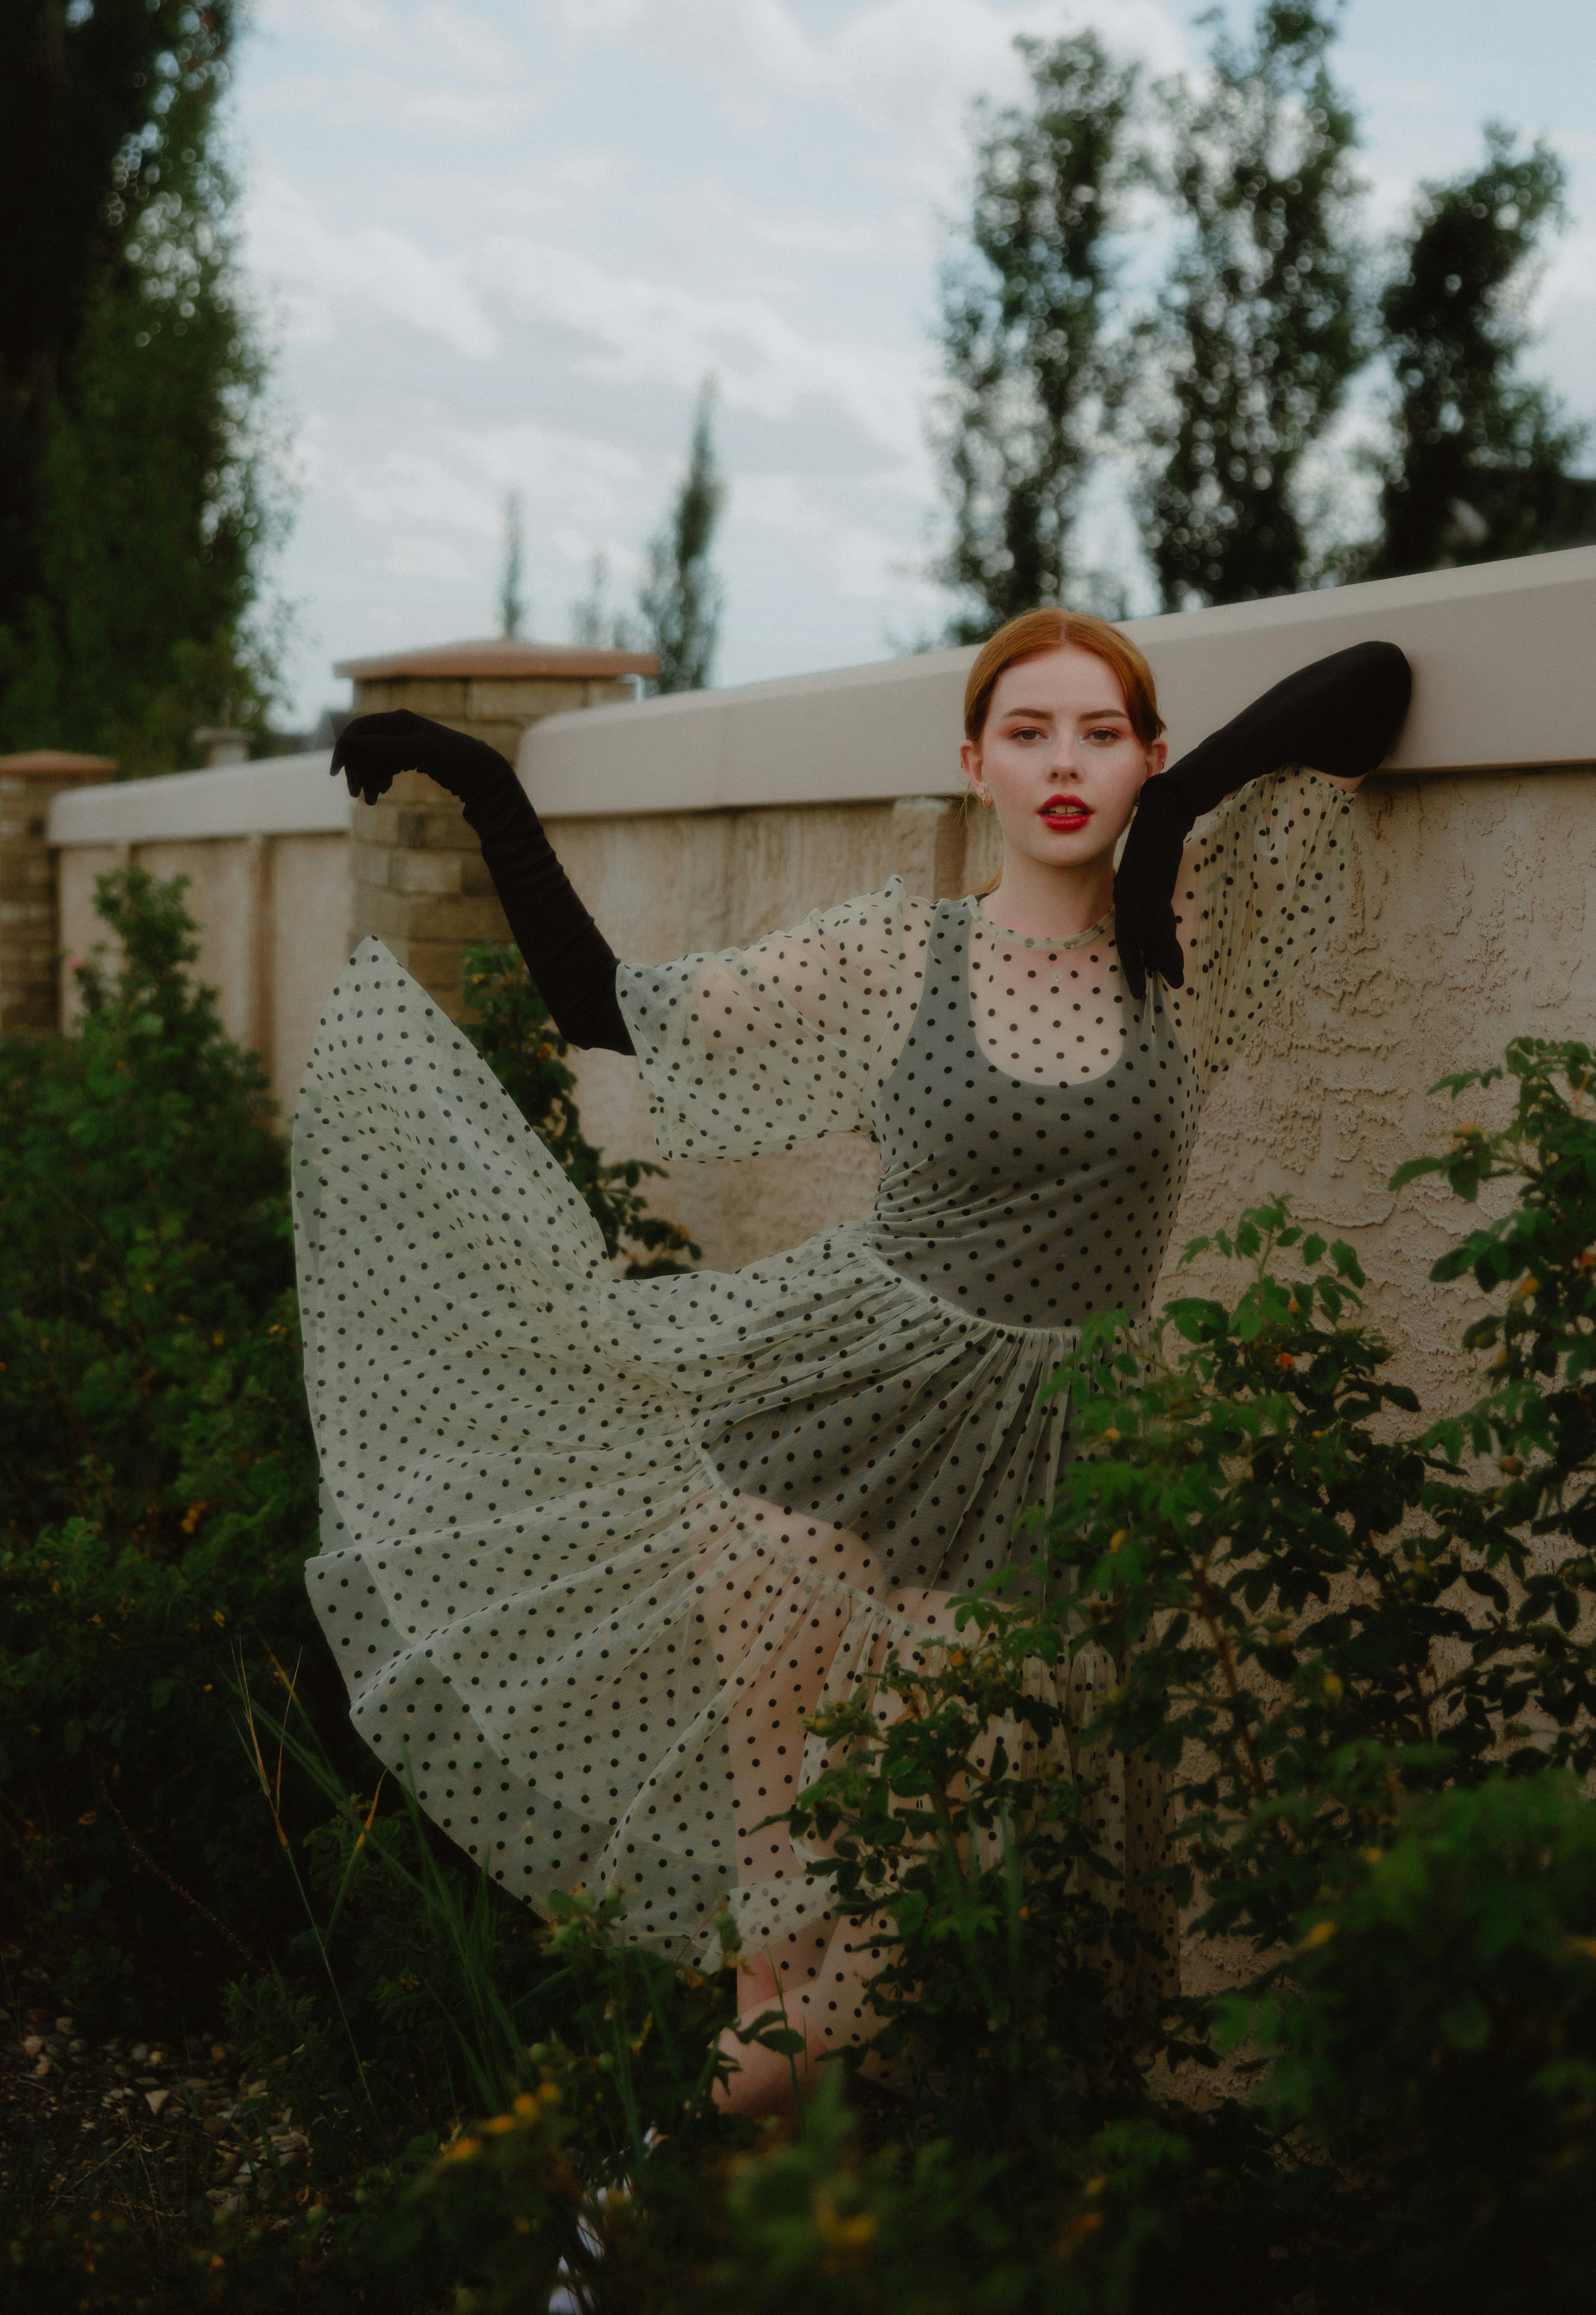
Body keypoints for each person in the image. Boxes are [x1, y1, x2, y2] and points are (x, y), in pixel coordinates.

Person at [297, 609, 1410, 2116]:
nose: (1064, 764)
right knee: (788, 1964)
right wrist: (483, 783)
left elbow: (1371, 690)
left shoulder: (1191, 935)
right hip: (809, 1462)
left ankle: (651, 2218)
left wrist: (1170, 832)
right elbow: (605, 1010)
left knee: (907, 1952)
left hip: (1042, 1487)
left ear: (1150, 756)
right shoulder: (899, 956)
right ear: (975, 767)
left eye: (1103, 733)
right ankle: (675, 2246)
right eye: (1028, 733)